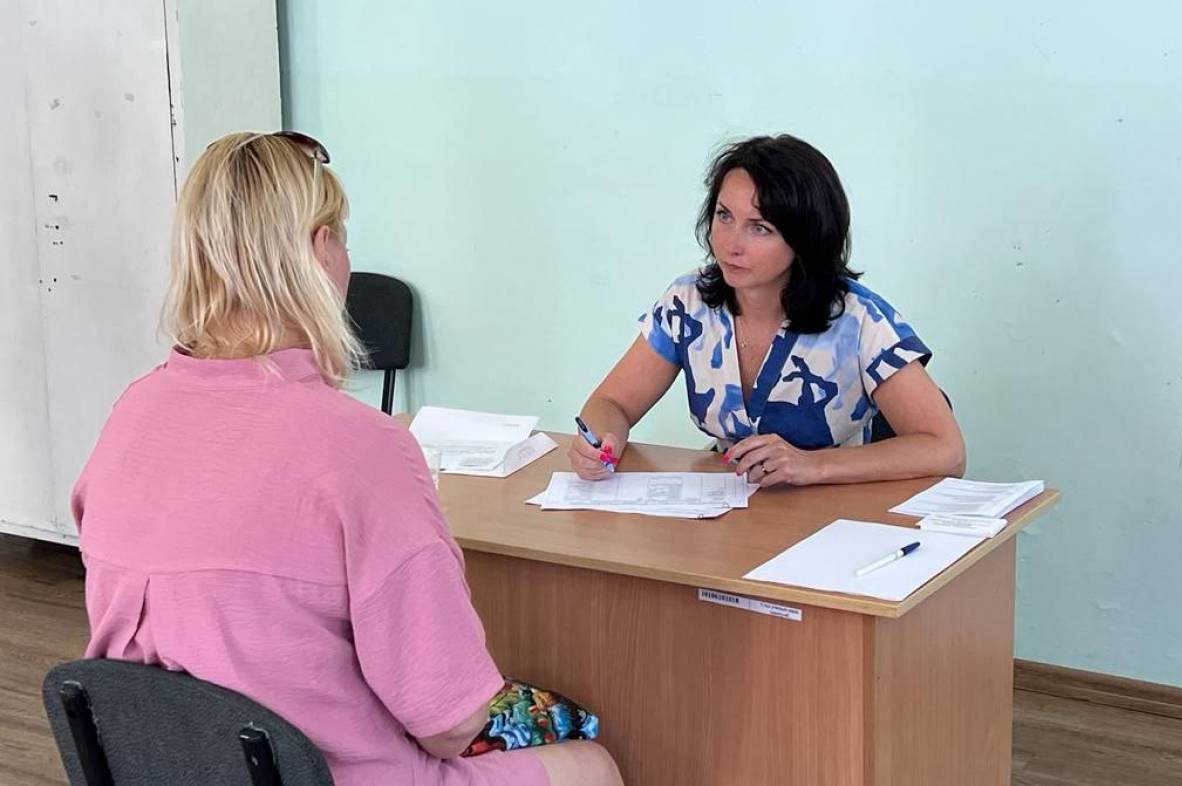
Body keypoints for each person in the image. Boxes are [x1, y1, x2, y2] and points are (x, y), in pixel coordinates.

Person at [72, 132, 622, 786]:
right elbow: (449, 723)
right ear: (319, 249)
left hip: (161, 769)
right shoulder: (363, 447)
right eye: (344, 240)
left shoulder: (131, 413)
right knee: (589, 762)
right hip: (333, 776)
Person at [571, 135, 965, 487]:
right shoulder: (688, 302)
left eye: (759, 227)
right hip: (734, 511)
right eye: (724, 216)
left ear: (805, 238)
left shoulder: (860, 321)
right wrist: (602, 442)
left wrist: (811, 466)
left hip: (838, 511)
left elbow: (946, 450)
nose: (731, 244)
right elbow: (611, 404)